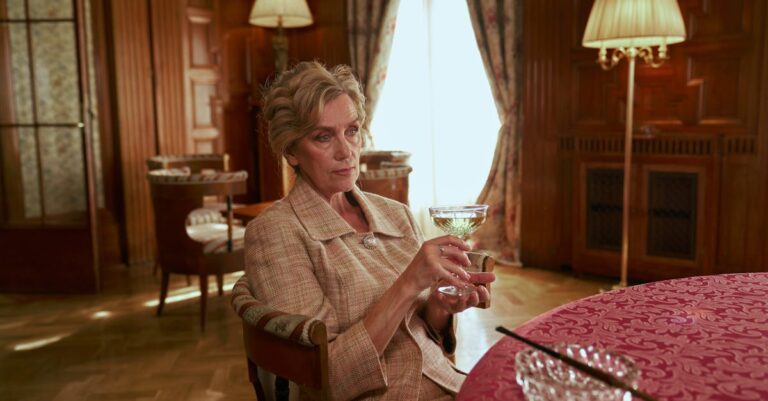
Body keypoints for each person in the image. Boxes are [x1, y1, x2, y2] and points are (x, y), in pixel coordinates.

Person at [245, 61, 496, 401]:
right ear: (291, 151)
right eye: (323, 136)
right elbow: (326, 382)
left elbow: (422, 333)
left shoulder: (396, 214)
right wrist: (408, 284)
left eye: (352, 130)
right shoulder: (275, 233)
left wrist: (440, 307)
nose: (346, 150)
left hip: (449, 384)